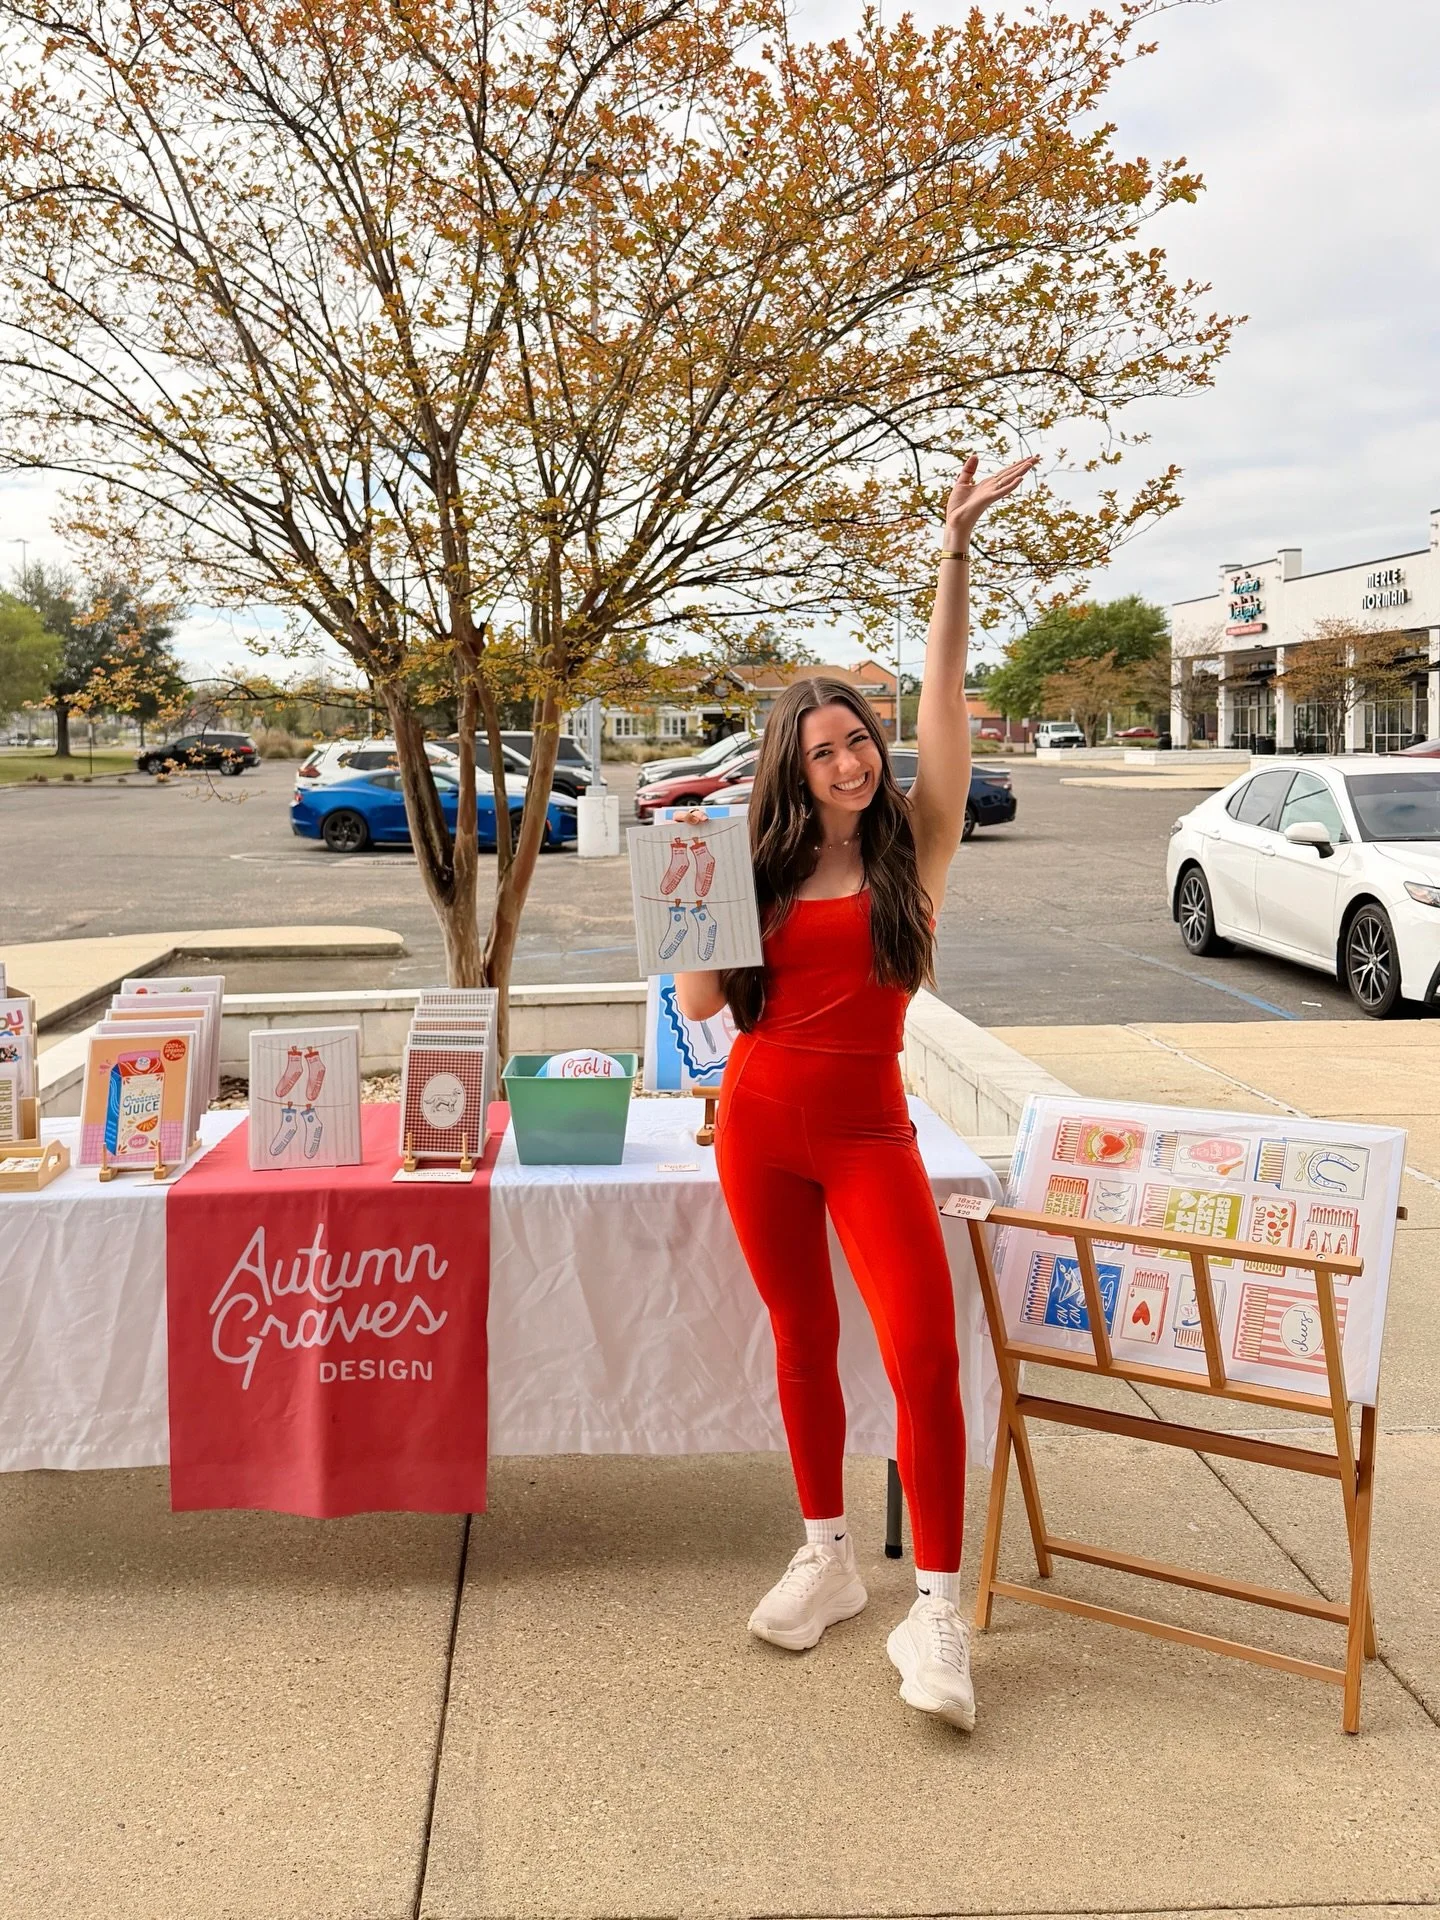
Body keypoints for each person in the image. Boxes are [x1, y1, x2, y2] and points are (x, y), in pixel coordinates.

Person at [674, 453, 1038, 1732]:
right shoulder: (756, 870)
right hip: (761, 1121)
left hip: (874, 1124)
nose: (852, 759)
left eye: (861, 740)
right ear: (793, 762)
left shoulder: (915, 847)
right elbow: (706, 1013)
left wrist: (953, 551)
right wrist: (691, 894)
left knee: (927, 1354)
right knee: (799, 1338)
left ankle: (936, 1607)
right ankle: (826, 1553)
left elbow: (943, 692)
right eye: (826, 747)